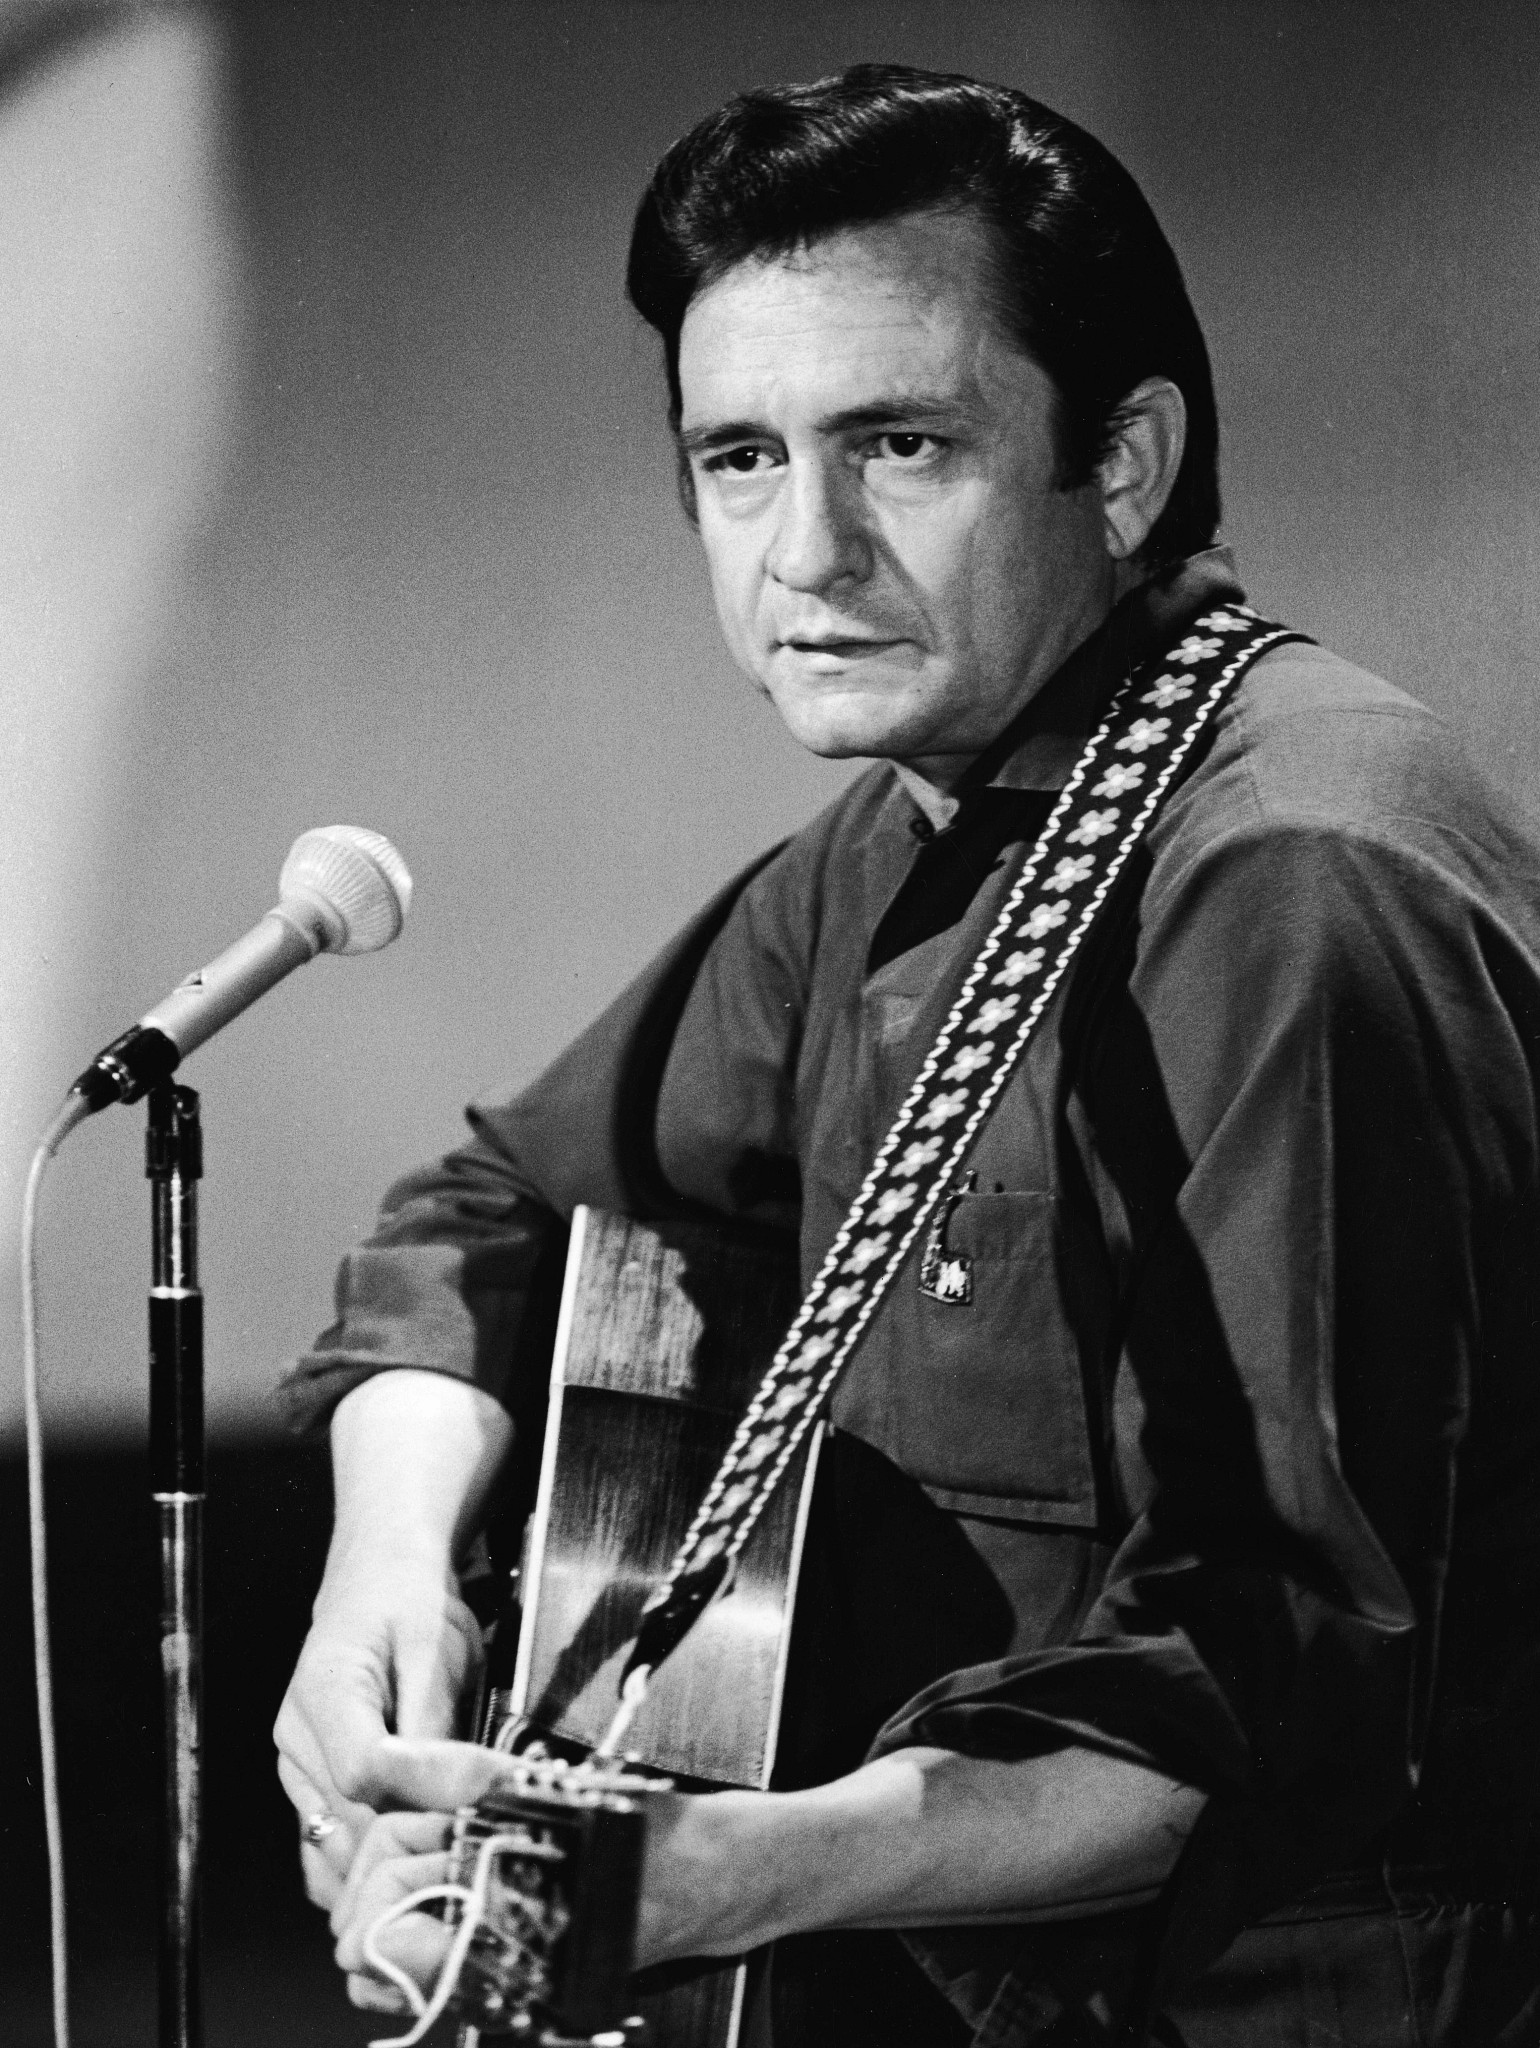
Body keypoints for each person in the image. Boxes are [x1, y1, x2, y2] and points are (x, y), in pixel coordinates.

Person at [274, 63, 1540, 2047]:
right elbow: (510, 1206)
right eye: (738, 460)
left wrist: (734, 1869)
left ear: (1115, 467)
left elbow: (1279, 1660)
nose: (806, 551)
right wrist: (387, 1581)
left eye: (899, 445)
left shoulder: (1285, 878)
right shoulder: (911, 825)